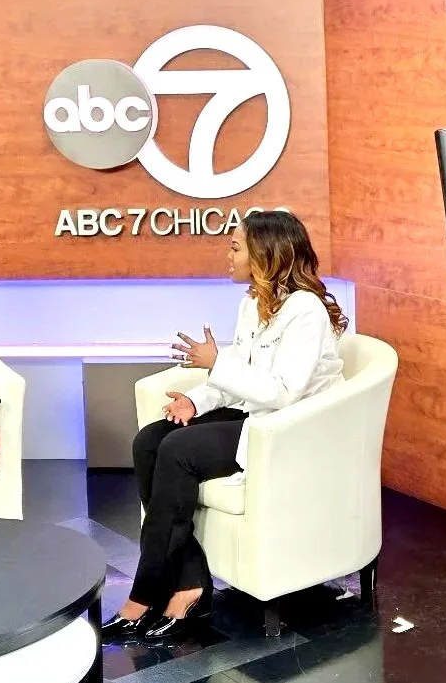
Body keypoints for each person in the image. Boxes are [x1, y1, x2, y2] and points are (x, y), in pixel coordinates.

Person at [103, 210, 346, 645]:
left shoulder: (306, 311)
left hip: (287, 429)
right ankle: (190, 582)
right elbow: (238, 375)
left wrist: (216, 364)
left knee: (177, 451)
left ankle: (145, 594)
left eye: (236, 247)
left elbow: (283, 392)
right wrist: (195, 399)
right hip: (254, 414)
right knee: (150, 441)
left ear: (265, 254)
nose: (227, 253)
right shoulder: (252, 302)